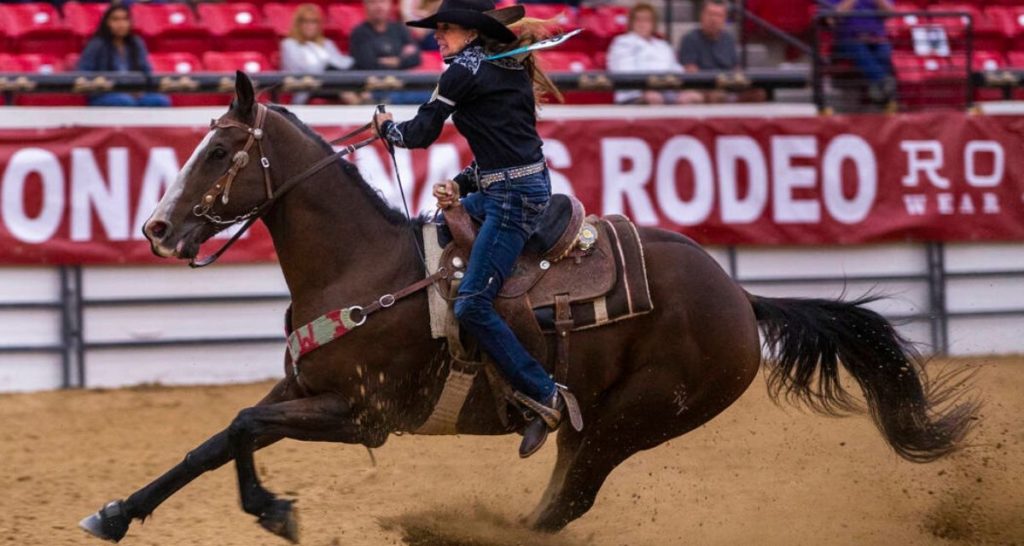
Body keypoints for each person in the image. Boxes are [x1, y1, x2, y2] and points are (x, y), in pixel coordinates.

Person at [373, 0, 572, 458]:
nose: (437, 36)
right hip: (516, 185)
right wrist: (463, 183)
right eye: (437, 28)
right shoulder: (500, 65)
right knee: (443, 233)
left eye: (445, 29)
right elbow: (505, 140)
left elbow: (420, 133)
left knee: (473, 303)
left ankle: (543, 392)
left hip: (512, 200)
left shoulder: (463, 71)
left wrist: (386, 128)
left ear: (470, 31)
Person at [607, 3, 703, 105]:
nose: (642, 24)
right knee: (654, 98)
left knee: (693, 97)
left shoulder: (663, 45)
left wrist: (685, 73)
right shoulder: (623, 42)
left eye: (647, 20)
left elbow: (675, 69)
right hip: (635, 93)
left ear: (654, 24)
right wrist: (650, 86)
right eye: (638, 20)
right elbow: (624, 72)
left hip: (667, 91)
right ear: (631, 23)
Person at [77, 5, 171, 107]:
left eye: (125, 19)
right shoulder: (96, 44)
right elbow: (83, 74)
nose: (121, 24)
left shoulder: (136, 43)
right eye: (115, 19)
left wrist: (141, 89)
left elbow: (147, 72)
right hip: (105, 93)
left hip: (135, 91)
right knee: (124, 100)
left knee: (160, 100)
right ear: (107, 22)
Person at [677, 0, 764, 103]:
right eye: (710, 14)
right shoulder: (690, 39)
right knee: (717, 95)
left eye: (718, 15)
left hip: (728, 85)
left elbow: (736, 69)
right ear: (701, 16)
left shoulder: (728, 40)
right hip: (704, 86)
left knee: (758, 93)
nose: (713, 19)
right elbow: (691, 72)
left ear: (724, 19)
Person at [279, 4, 360, 105]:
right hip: (307, 87)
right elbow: (300, 70)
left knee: (348, 76)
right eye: (305, 21)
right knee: (344, 90)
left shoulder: (326, 43)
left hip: (331, 83)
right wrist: (327, 64)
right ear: (298, 24)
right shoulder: (289, 44)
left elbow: (344, 63)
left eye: (314, 22)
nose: (309, 26)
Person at [350, 0, 427, 104]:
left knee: (430, 95)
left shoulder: (400, 29)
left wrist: (395, 61)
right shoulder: (359, 33)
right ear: (365, 5)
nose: (379, 6)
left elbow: (416, 58)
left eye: (383, 2)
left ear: (390, 4)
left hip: (403, 85)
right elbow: (368, 64)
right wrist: (401, 58)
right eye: (373, 2)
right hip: (375, 87)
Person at [824, 0, 895, 103]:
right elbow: (831, 19)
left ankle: (878, 91)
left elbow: (890, 13)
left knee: (884, 51)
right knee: (858, 49)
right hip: (847, 39)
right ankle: (883, 82)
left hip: (876, 38)